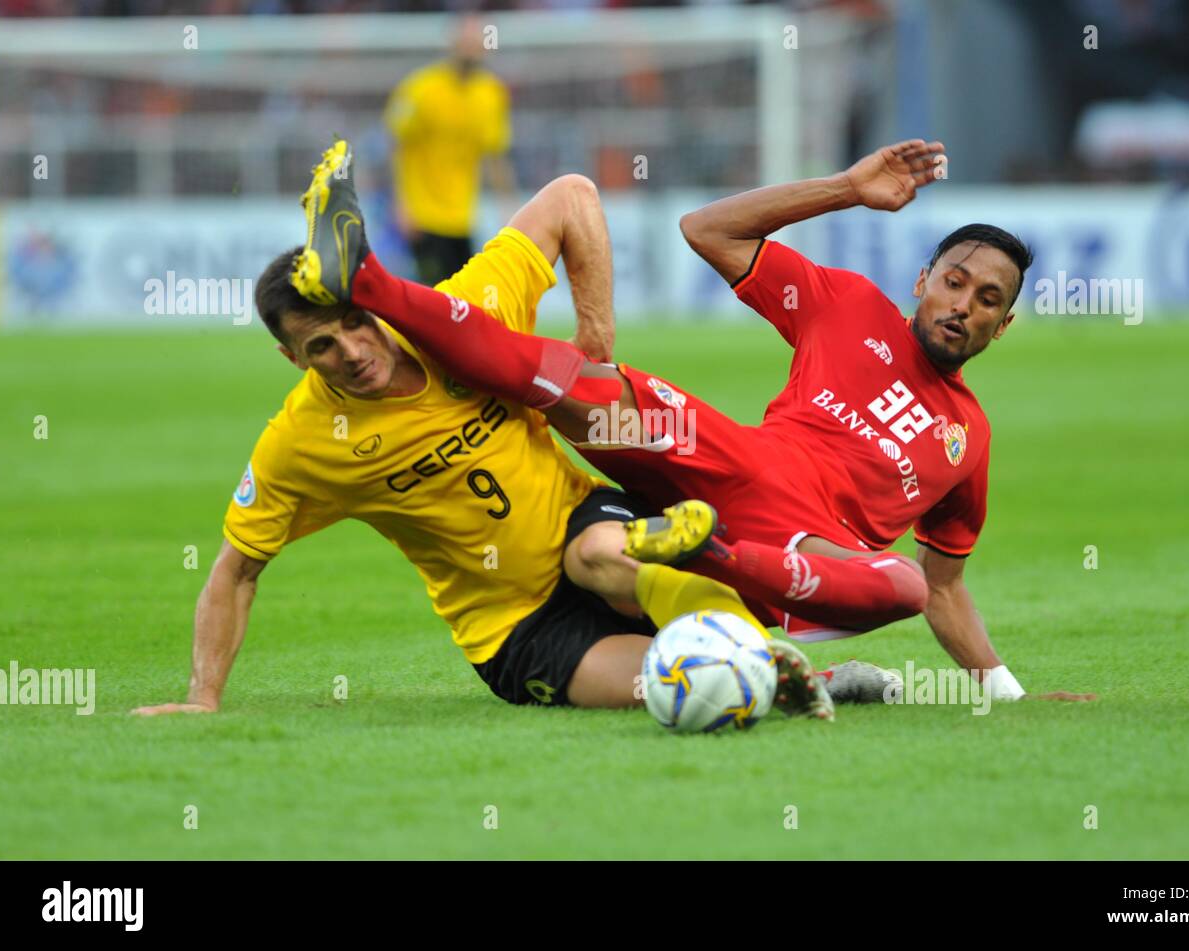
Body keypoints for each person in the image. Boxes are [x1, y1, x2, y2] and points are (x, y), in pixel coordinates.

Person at [291, 138, 1095, 704]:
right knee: (585, 385)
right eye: (955, 282)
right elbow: (707, 230)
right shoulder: (849, 305)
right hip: (736, 462)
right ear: (924, 279)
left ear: (1003, 326)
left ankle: (702, 550)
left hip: (800, 556)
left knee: (908, 584)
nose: (963, 306)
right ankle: (368, 280)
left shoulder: (970, 438)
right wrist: (849, 188)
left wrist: (1005, 690)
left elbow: (947, 589)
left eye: (988, 301)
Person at [133, 166, 832, 720]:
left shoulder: (458, 317)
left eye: (353, 320)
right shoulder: (301, 442)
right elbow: (236, 570)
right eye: (321, 345)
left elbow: (571, 196)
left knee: (602, 552)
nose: (350, 349)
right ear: (295, 360)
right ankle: (780, 673)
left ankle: (771, 655)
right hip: (514, 630)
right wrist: (203, 695)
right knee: (682, 683)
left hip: (583, 525)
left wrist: (596, 340)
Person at [384, 14, 517, 286]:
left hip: (463, 216)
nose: (471, 48)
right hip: (423, 214)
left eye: (477, 41)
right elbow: (397, 145)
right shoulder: (421, 88)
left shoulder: (491, 94)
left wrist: (508, 208)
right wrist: (401, 205)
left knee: (461, 301)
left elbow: (495, 155)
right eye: (466, 41)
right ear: (453, 44)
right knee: (431, 297)